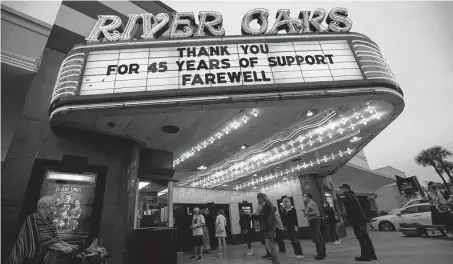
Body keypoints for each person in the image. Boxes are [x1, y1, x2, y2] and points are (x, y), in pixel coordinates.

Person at [7, 196, 78, 264]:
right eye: (54, 205)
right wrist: (63, 248)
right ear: (45, 206)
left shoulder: (47, 219)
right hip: (27, 259)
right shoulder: (35, 218)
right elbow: (46, 240)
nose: (56, 207)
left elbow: (54, 238)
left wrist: (68, 245)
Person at [339, 184, 377, 261]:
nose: (341, 191)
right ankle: (372, 255)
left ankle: (365, 256)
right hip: (360, 220)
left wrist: (343, 201)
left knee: (361, 238)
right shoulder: (352, 195)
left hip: (357, 221)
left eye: (342, 189)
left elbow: (350, 210)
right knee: (366, 237)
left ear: (346, 189)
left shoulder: (348, 196)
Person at [251, 193, 280, 264]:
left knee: (271, 247)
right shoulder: (267, 205)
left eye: (258, 198)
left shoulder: (267, 205)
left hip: (269, 229)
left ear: (261, 198)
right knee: (270, 246)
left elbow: (263, 217)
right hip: (268, 228)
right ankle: (275, 261)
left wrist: (253, 216)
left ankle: (276, 262)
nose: (258, 200)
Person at [303, 193, 326, 260]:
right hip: (315, 220)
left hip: (314, 220)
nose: (303, 197)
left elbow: (315, 212)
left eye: (304, 196)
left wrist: (306, 213)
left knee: (316, 237)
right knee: (319, 236)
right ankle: (323, 252)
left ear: (308, 197)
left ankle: (320, 254)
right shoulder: (311, 203)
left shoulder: (311, 203)